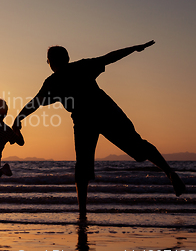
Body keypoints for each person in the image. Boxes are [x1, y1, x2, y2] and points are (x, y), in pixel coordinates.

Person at [13, 41, 186, 217]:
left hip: (90, 118)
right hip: (102, 113)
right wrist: (133, 49)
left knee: (84, 166)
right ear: (67, 58)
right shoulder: (80, 67)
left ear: (49, 62)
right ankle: (170, 172)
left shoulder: (53, 81)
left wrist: (18, 118)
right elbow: (110, 57)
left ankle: (82, 212)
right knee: (136, 148)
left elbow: (35, 102)